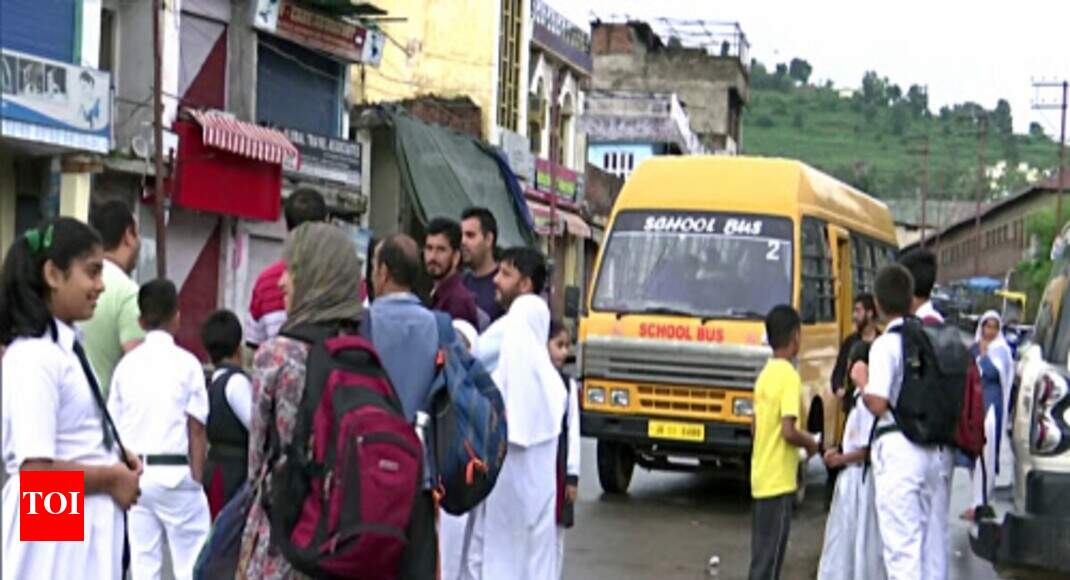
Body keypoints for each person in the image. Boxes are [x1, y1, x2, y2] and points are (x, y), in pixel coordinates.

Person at [240, 223, 435, 580]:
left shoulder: (278, 356)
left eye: (292, 272)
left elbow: (257, 469)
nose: (282, 283)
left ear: (314, 279)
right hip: (345, 547)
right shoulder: (363, 354)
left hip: (287, 548)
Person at [1, 218, 142, 579]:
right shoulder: (36, 356)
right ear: (53, 274)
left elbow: (71, 437)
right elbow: (36, 476)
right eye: (92, 272)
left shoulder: (65, 348)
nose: (100, 286)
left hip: (74, 522)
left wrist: (114, 454)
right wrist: (110, 479)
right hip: (59, 525)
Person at [461, 247, 566, 580]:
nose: (496, 279)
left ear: (525, 284)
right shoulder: (553, 390)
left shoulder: (504, 342)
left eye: (505, 273)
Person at [108, 279, 210, 580]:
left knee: (144, 566)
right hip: (177, 475)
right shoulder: (188, 365)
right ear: (177, 316)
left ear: (140, 320)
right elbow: (197, 430)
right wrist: (197, 479)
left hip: (137, 477)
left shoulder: (126, 367)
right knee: (191, 565)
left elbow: (114, 427)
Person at [859, 264, 945, 580]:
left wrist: (862, 382)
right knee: (922, 545)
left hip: (898, 452)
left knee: (900, 552)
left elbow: (878, 401)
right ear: (911, 299)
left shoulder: (886, 344)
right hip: (929, 451)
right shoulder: (927, 337)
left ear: (877, 304)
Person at [748, 305, 819, 580]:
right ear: (796, 337)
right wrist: (811, 443)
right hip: (779, 481)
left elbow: (756, 426)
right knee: (771, 561)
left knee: (761, 557)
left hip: (761, 476)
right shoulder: (789, 375)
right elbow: (788, 431)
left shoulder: (764, 375)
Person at [897, 247, 952, 580]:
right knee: (935, 533)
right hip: (942, 448)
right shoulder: (943, 329)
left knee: (910, 538)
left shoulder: (916, 332)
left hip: (916, 444)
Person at [817, 343, 885, 580]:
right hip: (850, 477)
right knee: (844, 539)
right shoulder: (857, 399)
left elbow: (868, 450)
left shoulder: (868, 402)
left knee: (858, 540)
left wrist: (842, 458)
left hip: (860, 479)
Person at [367, 234, 439, 422]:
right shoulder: (434, 323)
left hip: (373, 434)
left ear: (383, 272)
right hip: (415, 438)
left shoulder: (365, 320)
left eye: (374, 267)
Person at [246, 188, 328, 350]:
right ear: (326, 224)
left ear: (287, 226)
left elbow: (254, 346)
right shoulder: (347, 280)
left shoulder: (266, 282)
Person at [82, 199, 144, 397]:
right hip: (100, 413)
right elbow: (137, 369)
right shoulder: (129, 294)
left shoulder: (75, 281)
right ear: (128, 235)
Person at [959, 311, 1014, 522]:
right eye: (986, 326)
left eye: (994, 327)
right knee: (973, 454)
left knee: (987, 454)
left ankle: (980, 502)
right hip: (973, 408)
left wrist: (983, 356)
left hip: (991, 408)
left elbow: (992, 373)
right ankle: (976, 499)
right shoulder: (973, 348)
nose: (989, 331)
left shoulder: (1001, 351)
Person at [199, 309, 252, 519]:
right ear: (239, 348)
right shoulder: (236, 383)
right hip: (234, 473)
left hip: (216, 470)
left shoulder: (211, 384)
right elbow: (255, 424)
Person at [548, 320, 581, 580]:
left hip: (558, 468)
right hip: (540, 468)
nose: (563, 352)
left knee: (557, 533)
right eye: (558, 345)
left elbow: (572, 432)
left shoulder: (568, 386)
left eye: (566, 346)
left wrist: (572, 476)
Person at [425, 217, 481, 330]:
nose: (433, 257)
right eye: (429, 248)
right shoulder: (436, 294)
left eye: (441, 249)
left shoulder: (458, 301)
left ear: (456, 257)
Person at [461, 207, 504, 323]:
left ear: (489, 239)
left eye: (470, 235)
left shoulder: (504, 284)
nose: (463, 242)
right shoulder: (460, 283)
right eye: (461, 235)